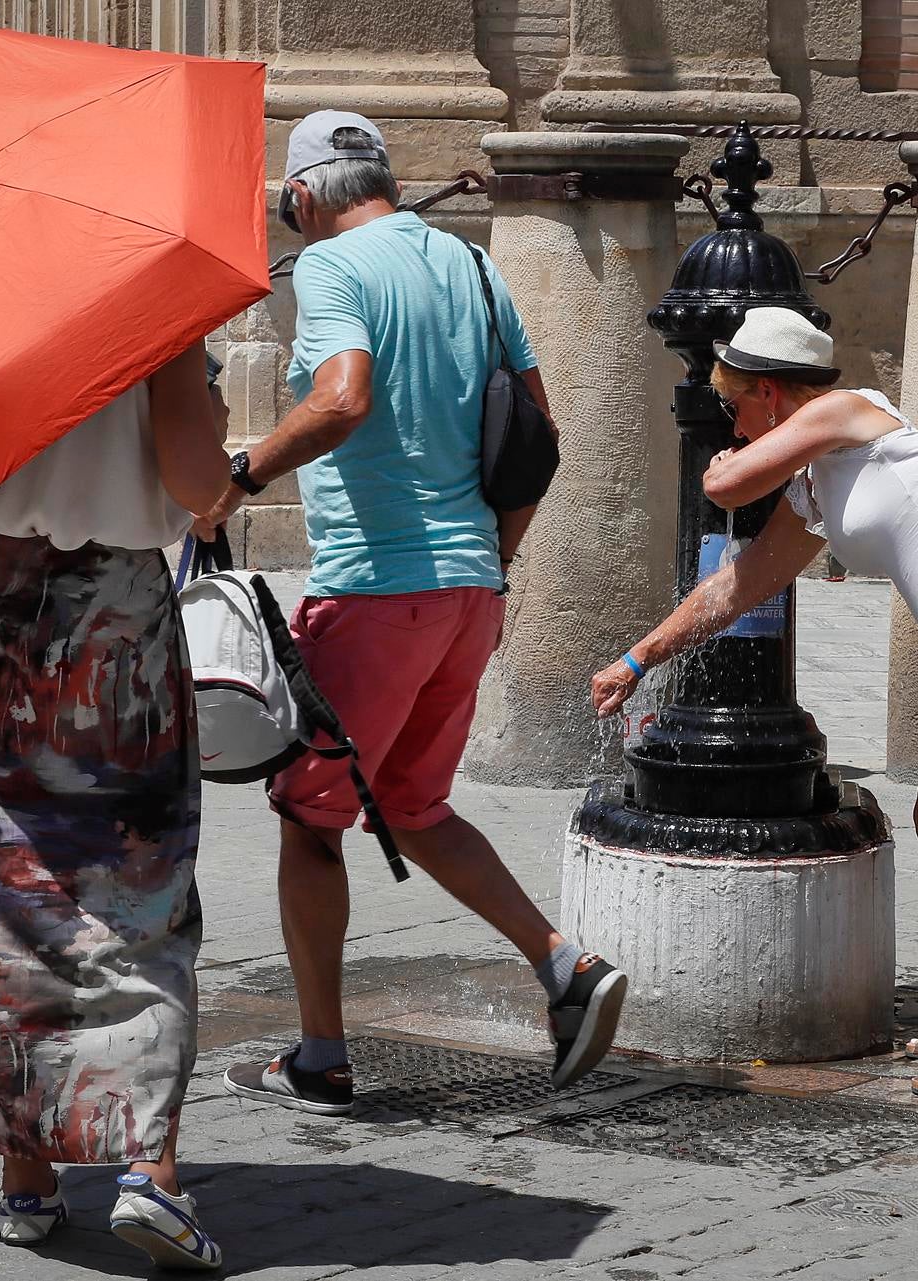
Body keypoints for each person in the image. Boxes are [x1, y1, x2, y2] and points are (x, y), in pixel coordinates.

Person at [200, 111, 628, 1113]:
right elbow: (537, 433)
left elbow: (343, 397)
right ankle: (564, 965)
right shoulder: (473, 267)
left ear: (302, 197)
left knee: (309, 817)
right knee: (410, 805)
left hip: (375, 589)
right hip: (469, 591)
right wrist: (493, 562)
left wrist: (237, 477)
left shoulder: (332, 267)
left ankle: (319, 1058)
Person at [591, 306, 918, 1100]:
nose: (731, 421)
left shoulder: (851, 409)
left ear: (768, 392)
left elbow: (723, 482)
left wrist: (723, 461)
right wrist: (638, 658)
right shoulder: (820, 484)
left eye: (732, 403)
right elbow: (737, 586)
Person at [0, 341, 232, 1269]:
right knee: (137, 886)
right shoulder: (158, 315)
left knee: (5, 884)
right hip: (114, 616)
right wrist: (214, 437)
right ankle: (151, 1172)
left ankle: (27, 1174)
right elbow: (200, 485)